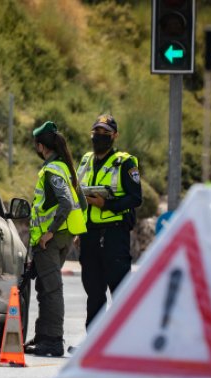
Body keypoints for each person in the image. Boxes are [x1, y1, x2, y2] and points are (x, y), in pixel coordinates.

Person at [24, 121, 87, 357]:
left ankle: (53, 341)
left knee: (51, 289)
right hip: (64, 237)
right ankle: (43, 336)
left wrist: (50, 231)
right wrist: (72, 232)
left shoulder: (52, 170)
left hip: (50, 239)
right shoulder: (65, 168)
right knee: (45, 286)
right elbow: (81, 203)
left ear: (41, 146)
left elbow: (67, 203)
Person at [77, 114, 142, 332]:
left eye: (105, 133)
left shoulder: (124, 162)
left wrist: (106, 204)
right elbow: (77, 196)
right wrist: (78, 230)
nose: (99, 136)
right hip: (89, 235)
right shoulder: (86, 160)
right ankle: (93, 342)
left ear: (115, 136)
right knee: (94, 293)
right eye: (96, 132)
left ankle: (126, 341)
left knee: (120, 292)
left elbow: (135, 198)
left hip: (114, 235)